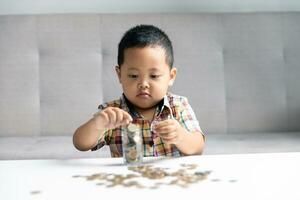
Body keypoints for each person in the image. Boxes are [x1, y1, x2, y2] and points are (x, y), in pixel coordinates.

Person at [73, 24, 205, 157]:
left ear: (171, 77)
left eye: (154, 76)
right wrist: (97, 125)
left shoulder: (178, 106)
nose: (143, 84)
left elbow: (198, 147)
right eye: (133, 76)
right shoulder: (112, 113)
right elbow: (80, 144)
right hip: (128, 176)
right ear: (120, 75)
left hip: (168, 176)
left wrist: (181, 137)